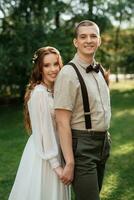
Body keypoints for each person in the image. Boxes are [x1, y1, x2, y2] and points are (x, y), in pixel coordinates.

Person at [54, 20, 111, 200]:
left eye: (93, 36)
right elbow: (62, 122)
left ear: (99, 40)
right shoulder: (68, 74)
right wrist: (70, 162)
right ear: (75, 42)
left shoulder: (100, 70)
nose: (88, 40)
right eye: (83, 36)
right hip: (82, 148)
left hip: (102, 144)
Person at [8, 46, 70, 200]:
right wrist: (56, 167)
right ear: (39, 69)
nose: (53, 69)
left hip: (58, 148)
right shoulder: (39, 93)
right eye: (47, 65)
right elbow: (44, 132)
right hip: (45, 156)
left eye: (56, 64)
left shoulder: (55, 90)